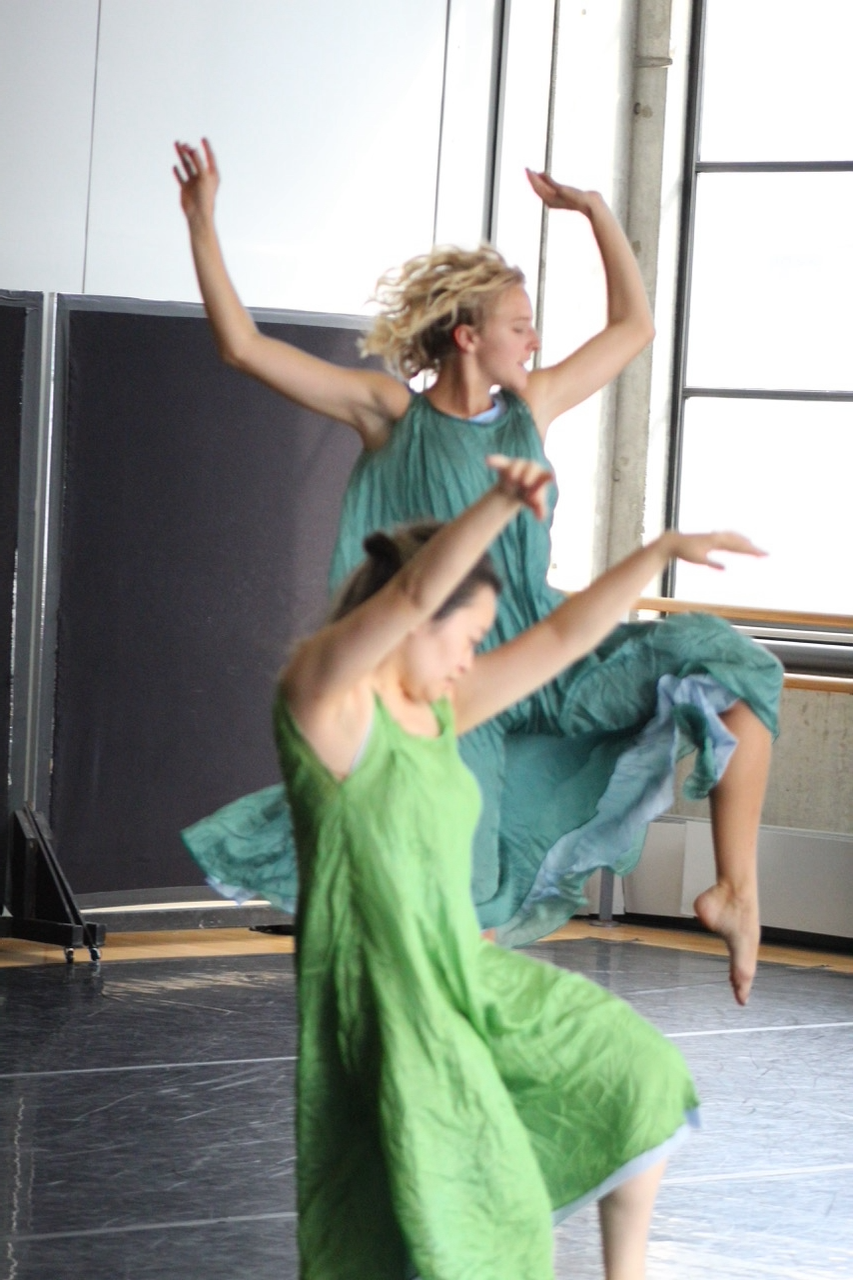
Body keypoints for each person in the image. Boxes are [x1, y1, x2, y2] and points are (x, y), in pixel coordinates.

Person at [175, 139, 783, 1006]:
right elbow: (241, 347)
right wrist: (202, 223)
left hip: (553, 657)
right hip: (464, 695)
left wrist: (595, 212)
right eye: (519, 327)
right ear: (467, 337)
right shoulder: (390, 414)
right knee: (476, 896)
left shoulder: (531, 409)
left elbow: (634, 329)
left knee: (735, 670)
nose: (534, 342)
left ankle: (735, 892)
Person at [274, 451, 772, 1279]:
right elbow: (408, 594)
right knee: (461, 1220)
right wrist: (501, 504)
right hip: (391, 1002)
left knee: (638, 1079)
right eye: (464, 637)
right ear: (413, 623)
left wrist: (653, 556)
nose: (472, 658)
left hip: (471, 977)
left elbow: (563, 636)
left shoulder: (442, 707)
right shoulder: (325, 707)